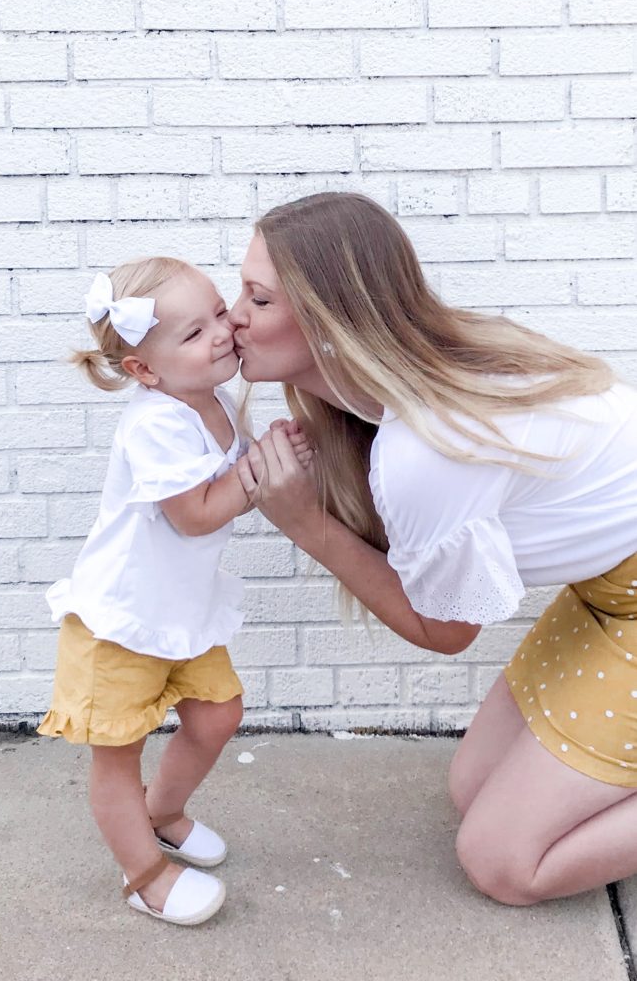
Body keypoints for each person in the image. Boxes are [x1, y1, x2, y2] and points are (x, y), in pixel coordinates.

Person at [228, 191, 637, 906]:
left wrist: (303, 522)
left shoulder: (423, 448)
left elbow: (446, 631)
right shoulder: (389, 397)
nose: (233, 315)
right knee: (468, 788)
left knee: (503, 864)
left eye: (257, 300)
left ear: (328, 323)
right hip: (609, 592)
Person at [37, 255, 313, 925]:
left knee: (217, 714)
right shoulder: (156, 422)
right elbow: (194, 514)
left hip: (180, 612)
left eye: (219, 314)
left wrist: (270, 456)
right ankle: (145, 875)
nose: (220, 333)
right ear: (144, 371)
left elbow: (232, 483)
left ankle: (159, 812)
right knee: (116, 758)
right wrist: (259, 473)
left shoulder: (211, 399)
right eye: (192, 334)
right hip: (122, 621)